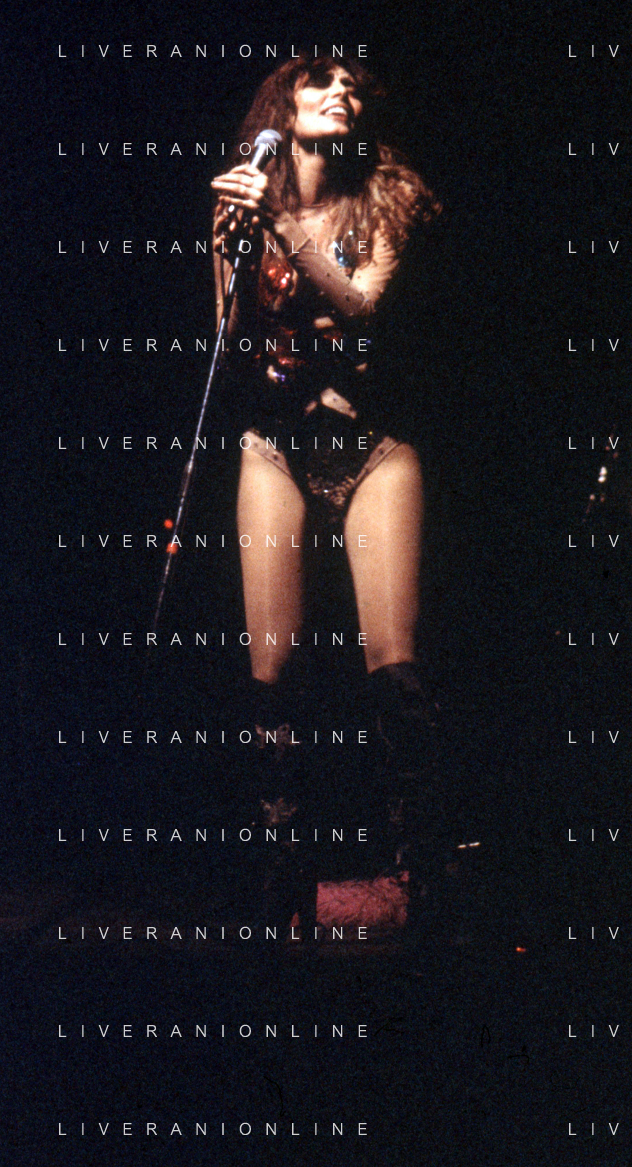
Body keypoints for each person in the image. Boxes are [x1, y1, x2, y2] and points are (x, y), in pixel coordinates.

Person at [212, 53, 440, 757]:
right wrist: (237, 251)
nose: (342, 91)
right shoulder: (241, 210)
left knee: (394, 667)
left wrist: (283, 226)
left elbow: (362, 308)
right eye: (321, 80)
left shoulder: (383, 198)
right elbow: (231, 345)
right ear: (282, 108)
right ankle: (278, 824)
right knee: (271, 675)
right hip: (278, 442)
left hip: (371, 443)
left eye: (353, 86)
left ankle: (413, 824)